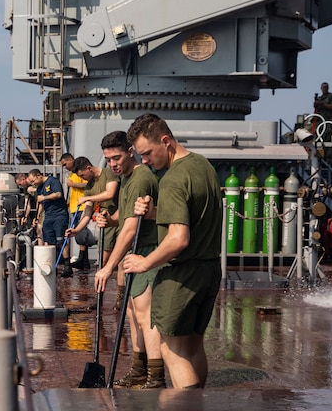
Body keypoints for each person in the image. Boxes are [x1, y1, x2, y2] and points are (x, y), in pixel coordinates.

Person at [122, 113, 222, 389]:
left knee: (172, 350)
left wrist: (145, 263)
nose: (144, 161)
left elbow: (178, 239)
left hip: (182, 275)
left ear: (165, 141)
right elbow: (194, 216)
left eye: (147, 153)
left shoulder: (172, 180)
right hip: (209, 270)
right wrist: (156, 212)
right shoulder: (202, 166)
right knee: (193, 346)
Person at [92, 131, 164, 388]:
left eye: (117, 157)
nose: (113, 164)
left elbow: (132, 227)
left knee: (146, 317)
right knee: (133, 314)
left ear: (130, 152)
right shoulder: (126, 178)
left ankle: (155, 377)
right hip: (135, 252)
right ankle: (138, 370)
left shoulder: (140, 178)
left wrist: (108, 267)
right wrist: (110, 220)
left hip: (146, 250)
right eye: (108, 159)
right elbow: (126, 214)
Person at [65, 156, 119, 273]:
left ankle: (121, 290)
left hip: (120, 217)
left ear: (89, 168)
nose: (82, 179)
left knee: (123, 262)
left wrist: (87, 198)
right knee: (104, 261)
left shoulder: (108, 173)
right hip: (106, 222)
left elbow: (110, 193)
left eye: (82, 175)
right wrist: (76, 230)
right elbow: (87, 213)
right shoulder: (89, 186)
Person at [28, 168, 71, 276]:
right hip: (48, 216)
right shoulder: (39, 188)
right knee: (48, 241)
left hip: (59, 215)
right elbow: (41, 204)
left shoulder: (53, 181)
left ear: (39, 175)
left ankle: (67, 266)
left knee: (61, 240)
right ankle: (52, 265)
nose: (33, 184)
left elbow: (58, 194)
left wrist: (45, 197)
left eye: (33, 181)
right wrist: (37, 217)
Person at [60, 153, 88, 270]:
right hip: (74, 206)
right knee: (79, 234)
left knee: (82, 233)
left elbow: (86, 185)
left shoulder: (80, 171)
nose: (64, 167)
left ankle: (83, 259)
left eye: (65, 164)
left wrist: (73, 184)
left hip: (82, 206)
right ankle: (83, 259)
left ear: (71, 160)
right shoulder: (72, 173)